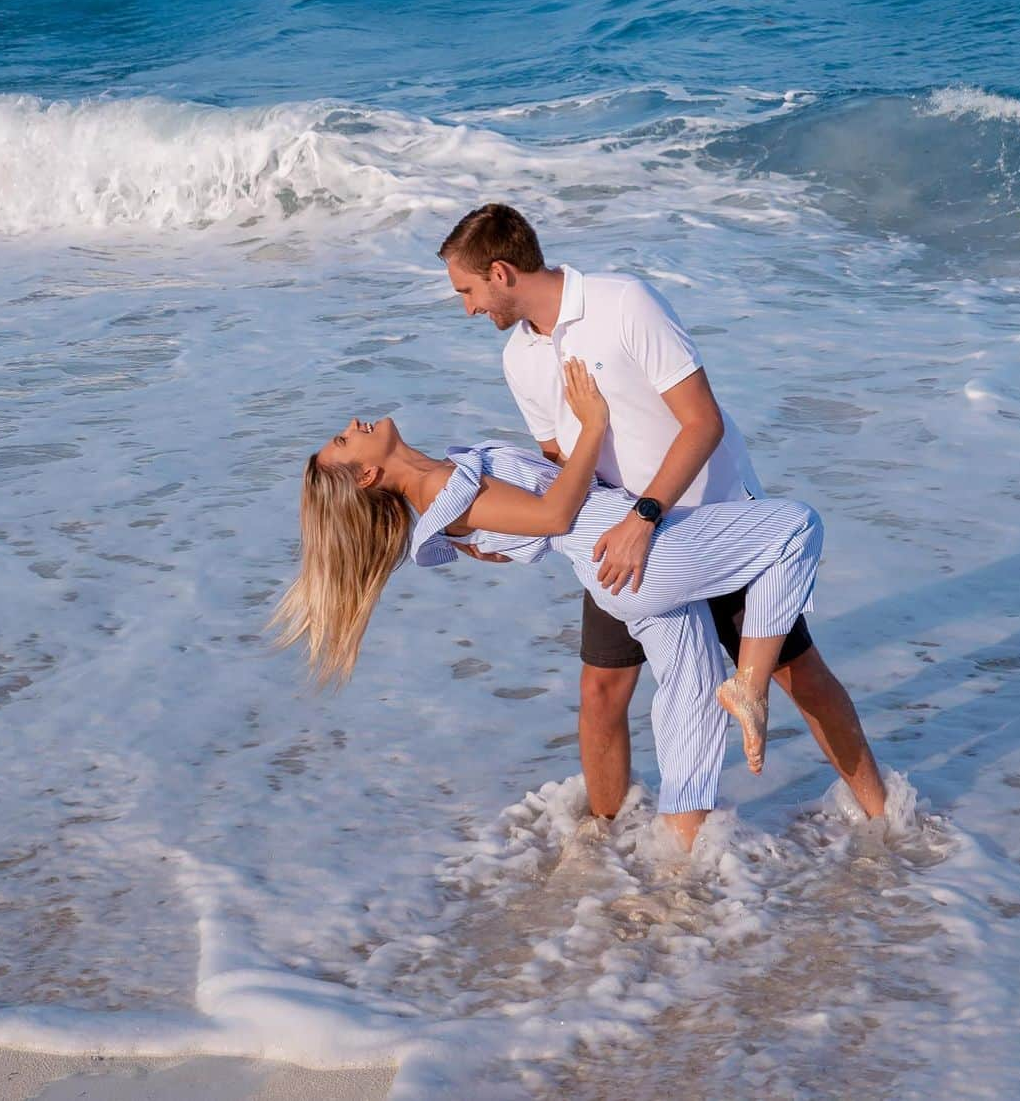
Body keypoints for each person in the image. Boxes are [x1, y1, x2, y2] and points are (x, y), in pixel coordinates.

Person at [438, 203, 887, 830]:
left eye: (467, 291)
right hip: (619, 539)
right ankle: (605, 842)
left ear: (502, 272)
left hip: (711, 521)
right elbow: (560, 466)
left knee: (796, 675)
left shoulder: (624, 304)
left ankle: (886, 819)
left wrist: (645, 517)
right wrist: (508, 532)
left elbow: (704, 422)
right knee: (601, 693)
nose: (467, 309)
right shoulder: (519, 359)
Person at [273, 360, 824, 849]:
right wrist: (593, 425)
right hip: (634, 551)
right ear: (368, 475)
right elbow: (556, 515)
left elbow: (522, 525)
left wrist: (503, 539)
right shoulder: (441, 489)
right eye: (345, 442)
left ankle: (679, 865)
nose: (352, 426)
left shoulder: (441, 484)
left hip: (618, 570)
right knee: (796, 528)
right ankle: (750, 685)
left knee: (691, 699)